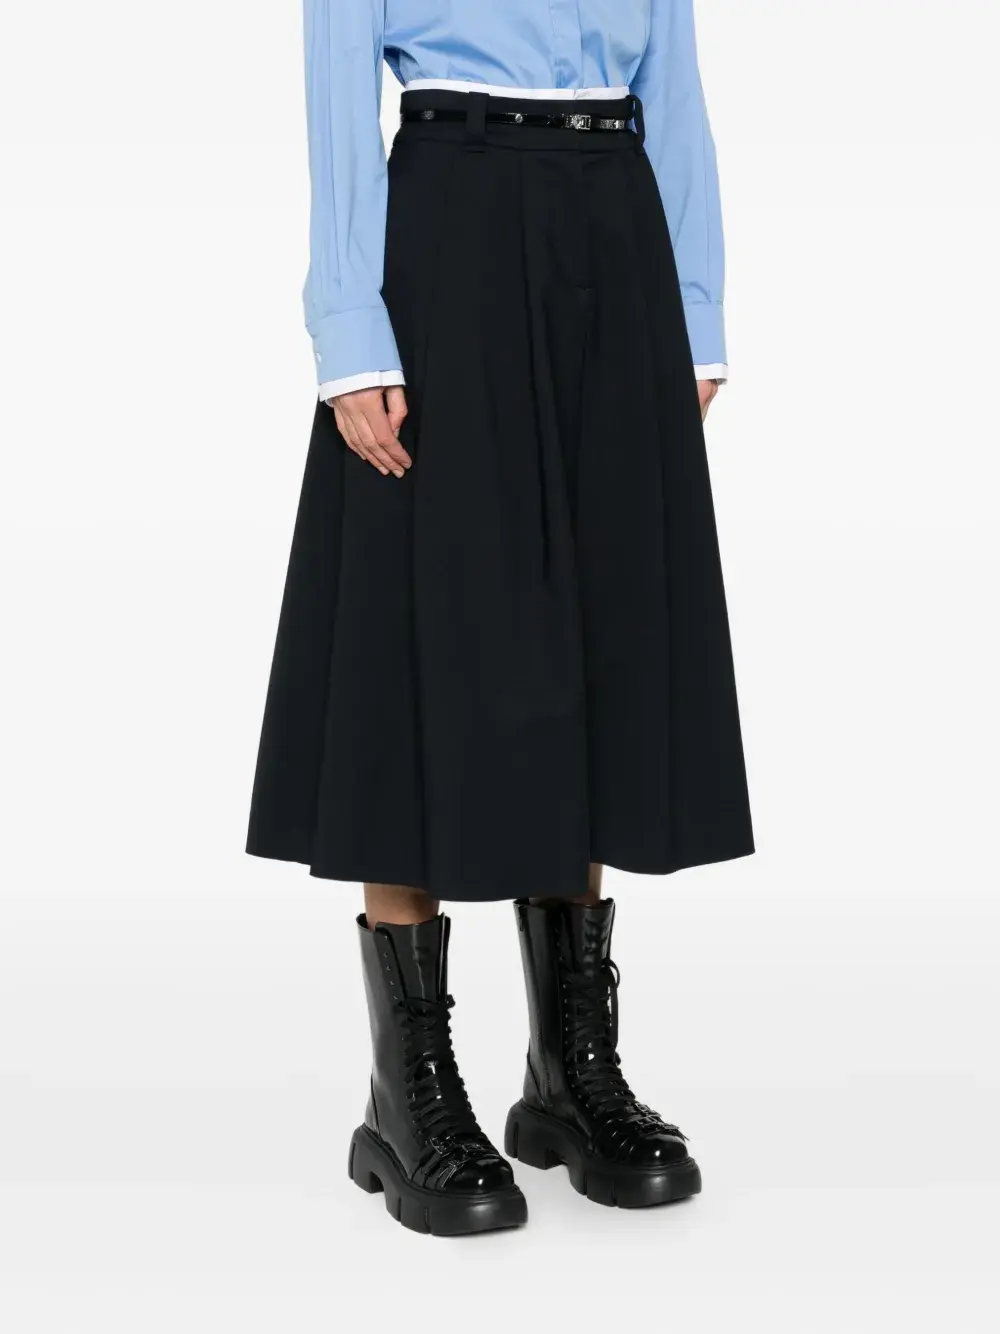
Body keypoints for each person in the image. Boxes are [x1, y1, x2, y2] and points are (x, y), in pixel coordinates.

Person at [247, 0, 753, 1236]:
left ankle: (571, 1071)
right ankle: (408, 1091)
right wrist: (349, 328)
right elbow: (335, 87)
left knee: (593, 628)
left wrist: (693, 306)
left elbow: (674, 83)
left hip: (615, 223)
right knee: (422, 624)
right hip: (451, 224)